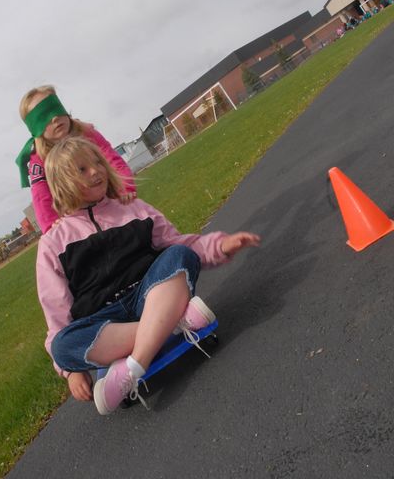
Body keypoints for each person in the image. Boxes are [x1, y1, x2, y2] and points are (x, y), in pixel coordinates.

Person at [36, 136, 260, 415]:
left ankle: (133, 366)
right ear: (62, 183)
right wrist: (71, 373)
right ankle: (174, 324)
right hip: (105, 322)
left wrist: (220, 246)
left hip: (149, 296)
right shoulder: (53, 243)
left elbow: (180, 245)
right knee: (62, 346)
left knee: (178, 254)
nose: (96, 171)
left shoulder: (133, 209)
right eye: (82, 169)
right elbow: (57, 313)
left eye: (97, 163)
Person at [16, 85, 136, 233]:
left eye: (55, 108)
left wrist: (125, 188)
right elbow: (40, 195)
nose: (54, 117)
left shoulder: (88, 134)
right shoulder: (38, 159)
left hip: (110, 202)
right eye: (44, 115)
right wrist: (50, 225)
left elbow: (113, 159)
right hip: (78, 219)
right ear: (35, 127)